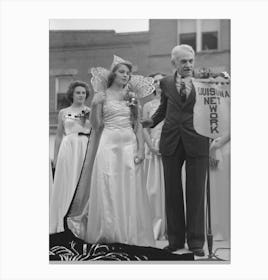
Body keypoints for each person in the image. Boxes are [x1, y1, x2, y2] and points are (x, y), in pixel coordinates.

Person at [65, 58, 155, 247]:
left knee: (129, 187)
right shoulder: (102, 95)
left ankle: (128, 233)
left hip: (128, 144)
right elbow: (96, 127)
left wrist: (140, 149)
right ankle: (108, 232)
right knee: (107, 185)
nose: (126, 75)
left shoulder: (131, 96)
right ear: (113, 74)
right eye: (122, 72)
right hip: (108, 144)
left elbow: (137, 124)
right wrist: (96, 104)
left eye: (128, 73)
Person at [142, 44, 209, 256]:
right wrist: (148, 123)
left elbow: (214, 110)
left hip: (198, 140)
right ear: (174, 63)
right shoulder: (165, 83)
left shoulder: (206, 82)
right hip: (170, 141)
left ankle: (196, 241)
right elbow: (163, 109)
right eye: (183, 61)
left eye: (191, 61)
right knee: (172, 193)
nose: (188, 65)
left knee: (196, 192)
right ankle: (175, 240)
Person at [49, 80, 91, 234]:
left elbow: (95, 132)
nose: (81, 95)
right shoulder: (63, 112)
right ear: (72, 94)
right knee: (67, 182)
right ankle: (63, 220)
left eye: (84, 93)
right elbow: (59, 136)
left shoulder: (90, 111)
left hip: (84, 147)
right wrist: (56, 157)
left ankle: (80, 222)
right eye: (78, 92)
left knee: (81, 182)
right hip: (68, 148)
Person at [143, 72, 167, 240]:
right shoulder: (148, 106)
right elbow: (144, 128)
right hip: (153, 146)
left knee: (169, 188)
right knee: (153, 189)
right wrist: (151, 147)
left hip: (170, 147)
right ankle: (154, 225)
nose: (158, 84)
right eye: (155, 81)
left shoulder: (173, 103)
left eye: (161, 81)